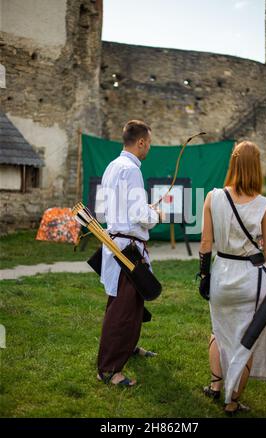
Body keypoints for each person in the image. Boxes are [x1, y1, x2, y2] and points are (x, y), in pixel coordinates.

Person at [198, 140, 266, 414]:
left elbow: (206, 243)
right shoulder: (265, 205)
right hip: (252, 279)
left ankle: (216, 385)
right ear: (256, 167)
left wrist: (204, 275)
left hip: (221, 274)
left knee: (218, 332)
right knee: (247, 340)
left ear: (232, 164)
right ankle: (231, 402)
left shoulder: (213, 197)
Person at [97, 120, 162, 386]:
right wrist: (154, 214)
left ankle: (129, 348)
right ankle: (110, 369)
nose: (150, 147)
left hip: (118, 244)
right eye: (150, 142)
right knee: (123, 309)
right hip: (126, 251)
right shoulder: (131, 170)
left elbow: (108, 209)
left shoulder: (113, 166)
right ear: (141, 142)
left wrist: (142, 210)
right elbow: (138, 214)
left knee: (131, 305)